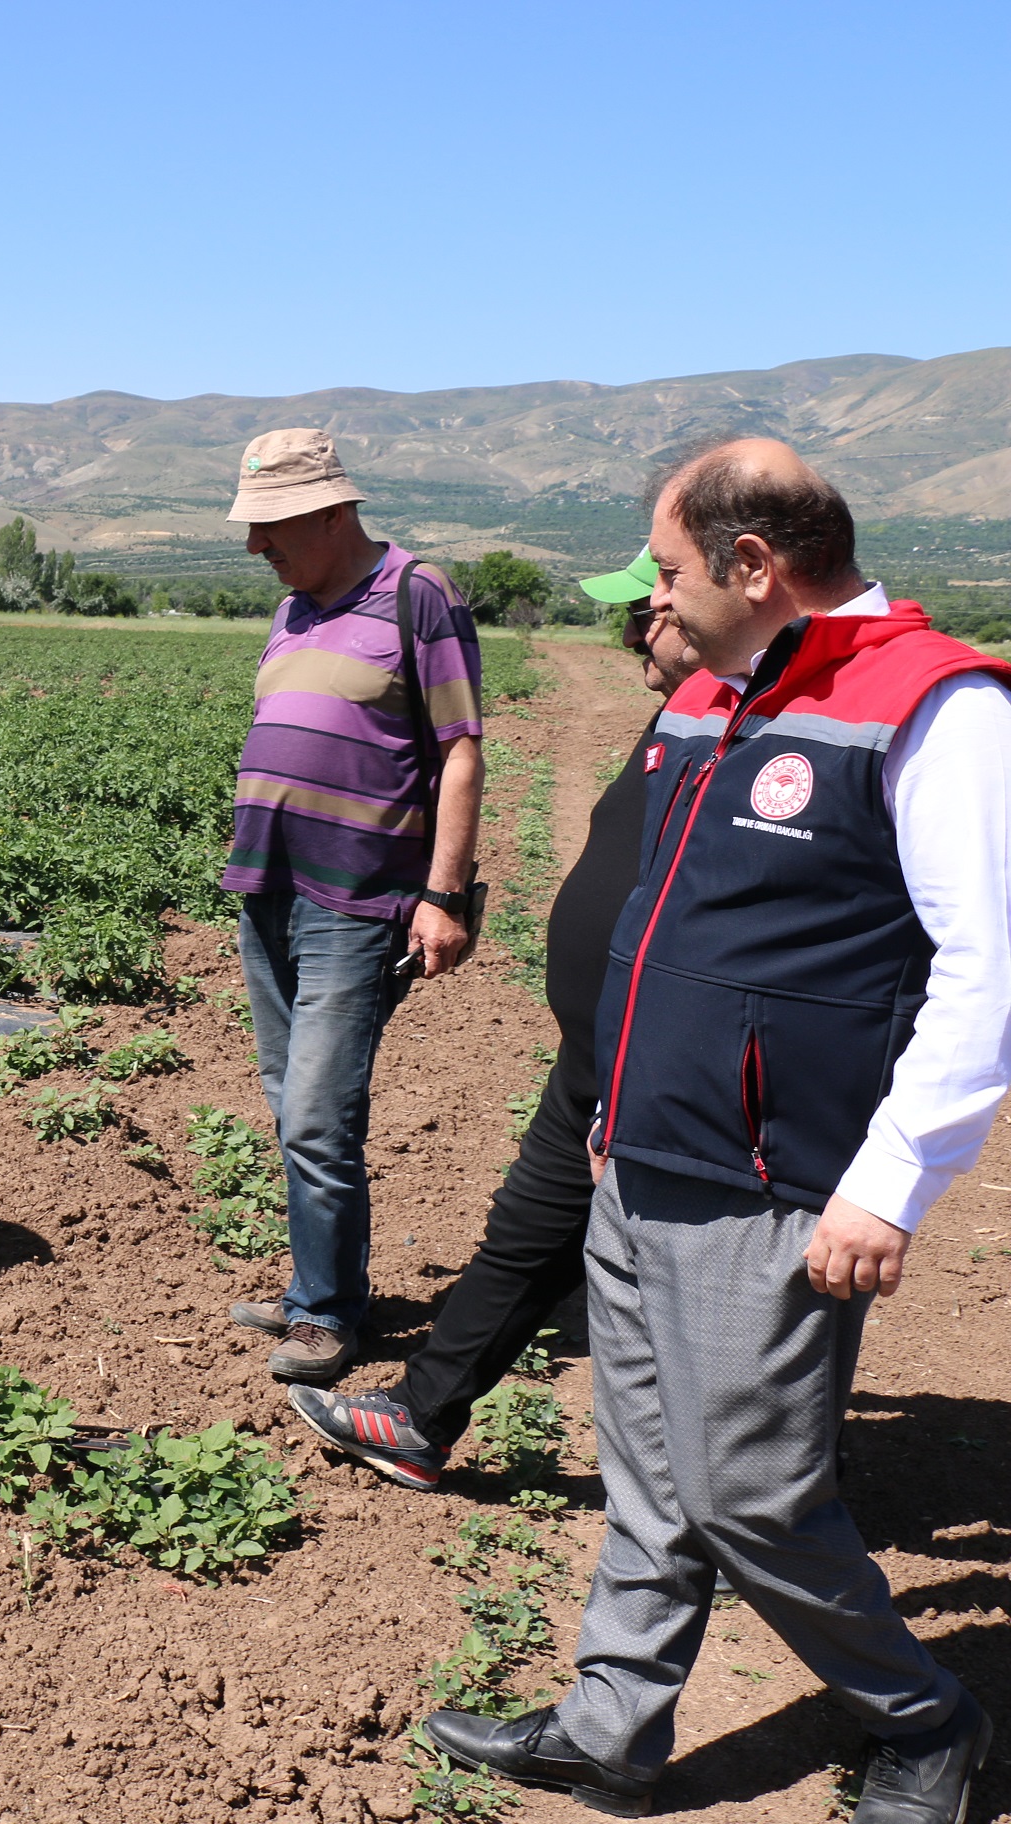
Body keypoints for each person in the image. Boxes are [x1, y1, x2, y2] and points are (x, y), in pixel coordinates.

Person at [423, 441, 1009, 1824]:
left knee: (752, 1494)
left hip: (777, 1180)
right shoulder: (711, 698)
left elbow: (989, 969)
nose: (653, 603)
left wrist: (892, 1184)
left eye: (671, 572)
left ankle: (923, 1719)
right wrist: (614, 1114)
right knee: (645, 1467)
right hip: (639, 1151)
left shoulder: (938, 709)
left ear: (755, 567)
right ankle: (612, 1725)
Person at [284, 549, 701, 1486]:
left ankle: (745, 1495)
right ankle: (422, 1418)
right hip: (605, 1046)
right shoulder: (689, 711)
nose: (635, 628)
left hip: (676, 1055)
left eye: (654, 608)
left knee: (703, 1278)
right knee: (529, 1232)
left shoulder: (778, 726)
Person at [218, 428, 488, 1384]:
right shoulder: (294, 608)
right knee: (292, 1105)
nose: (258, 547)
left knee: (319, 1116)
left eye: (273, 527)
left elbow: (459, 746)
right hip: (269, 888)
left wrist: (443, 894)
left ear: (334, 511)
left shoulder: (420, 595)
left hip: (358, 900)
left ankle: (329, 1317)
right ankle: (315, 1292)